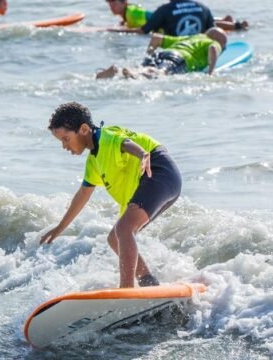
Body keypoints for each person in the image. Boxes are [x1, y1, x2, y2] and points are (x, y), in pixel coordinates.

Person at [40, 102, 182, 288]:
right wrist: (60, 228)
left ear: (83, 129)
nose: (64, 146)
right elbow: (83, 194)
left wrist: (142, 155)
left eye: (66, 139)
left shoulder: (106, 138)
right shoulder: (94, 161)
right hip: (157, 181)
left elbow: (126, 143)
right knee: (115, 238)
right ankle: (148, 281)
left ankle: (126, 289)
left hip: (157, 170)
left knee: (123, 229)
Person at [96, 27, 227, 79]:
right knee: (161, 73)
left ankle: (117, 71)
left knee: (147, 68)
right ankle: (133, 72)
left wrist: (147, 57)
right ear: (219, 40)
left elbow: (156, 38)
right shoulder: (212, 42)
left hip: (163, 53)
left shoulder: (190, 38)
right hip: (180, 59)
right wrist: (211, 72)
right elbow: (213, 50)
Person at [106, 0, 248, 35]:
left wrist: (113, 30)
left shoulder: (165, 10)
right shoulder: (203, 7)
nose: (110, 5)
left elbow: (142, 31)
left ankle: (234, 25)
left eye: (113, 1)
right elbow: (212, 31)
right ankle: (233, 24)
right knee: (208, 23)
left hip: (168, 31)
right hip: (197, 36)